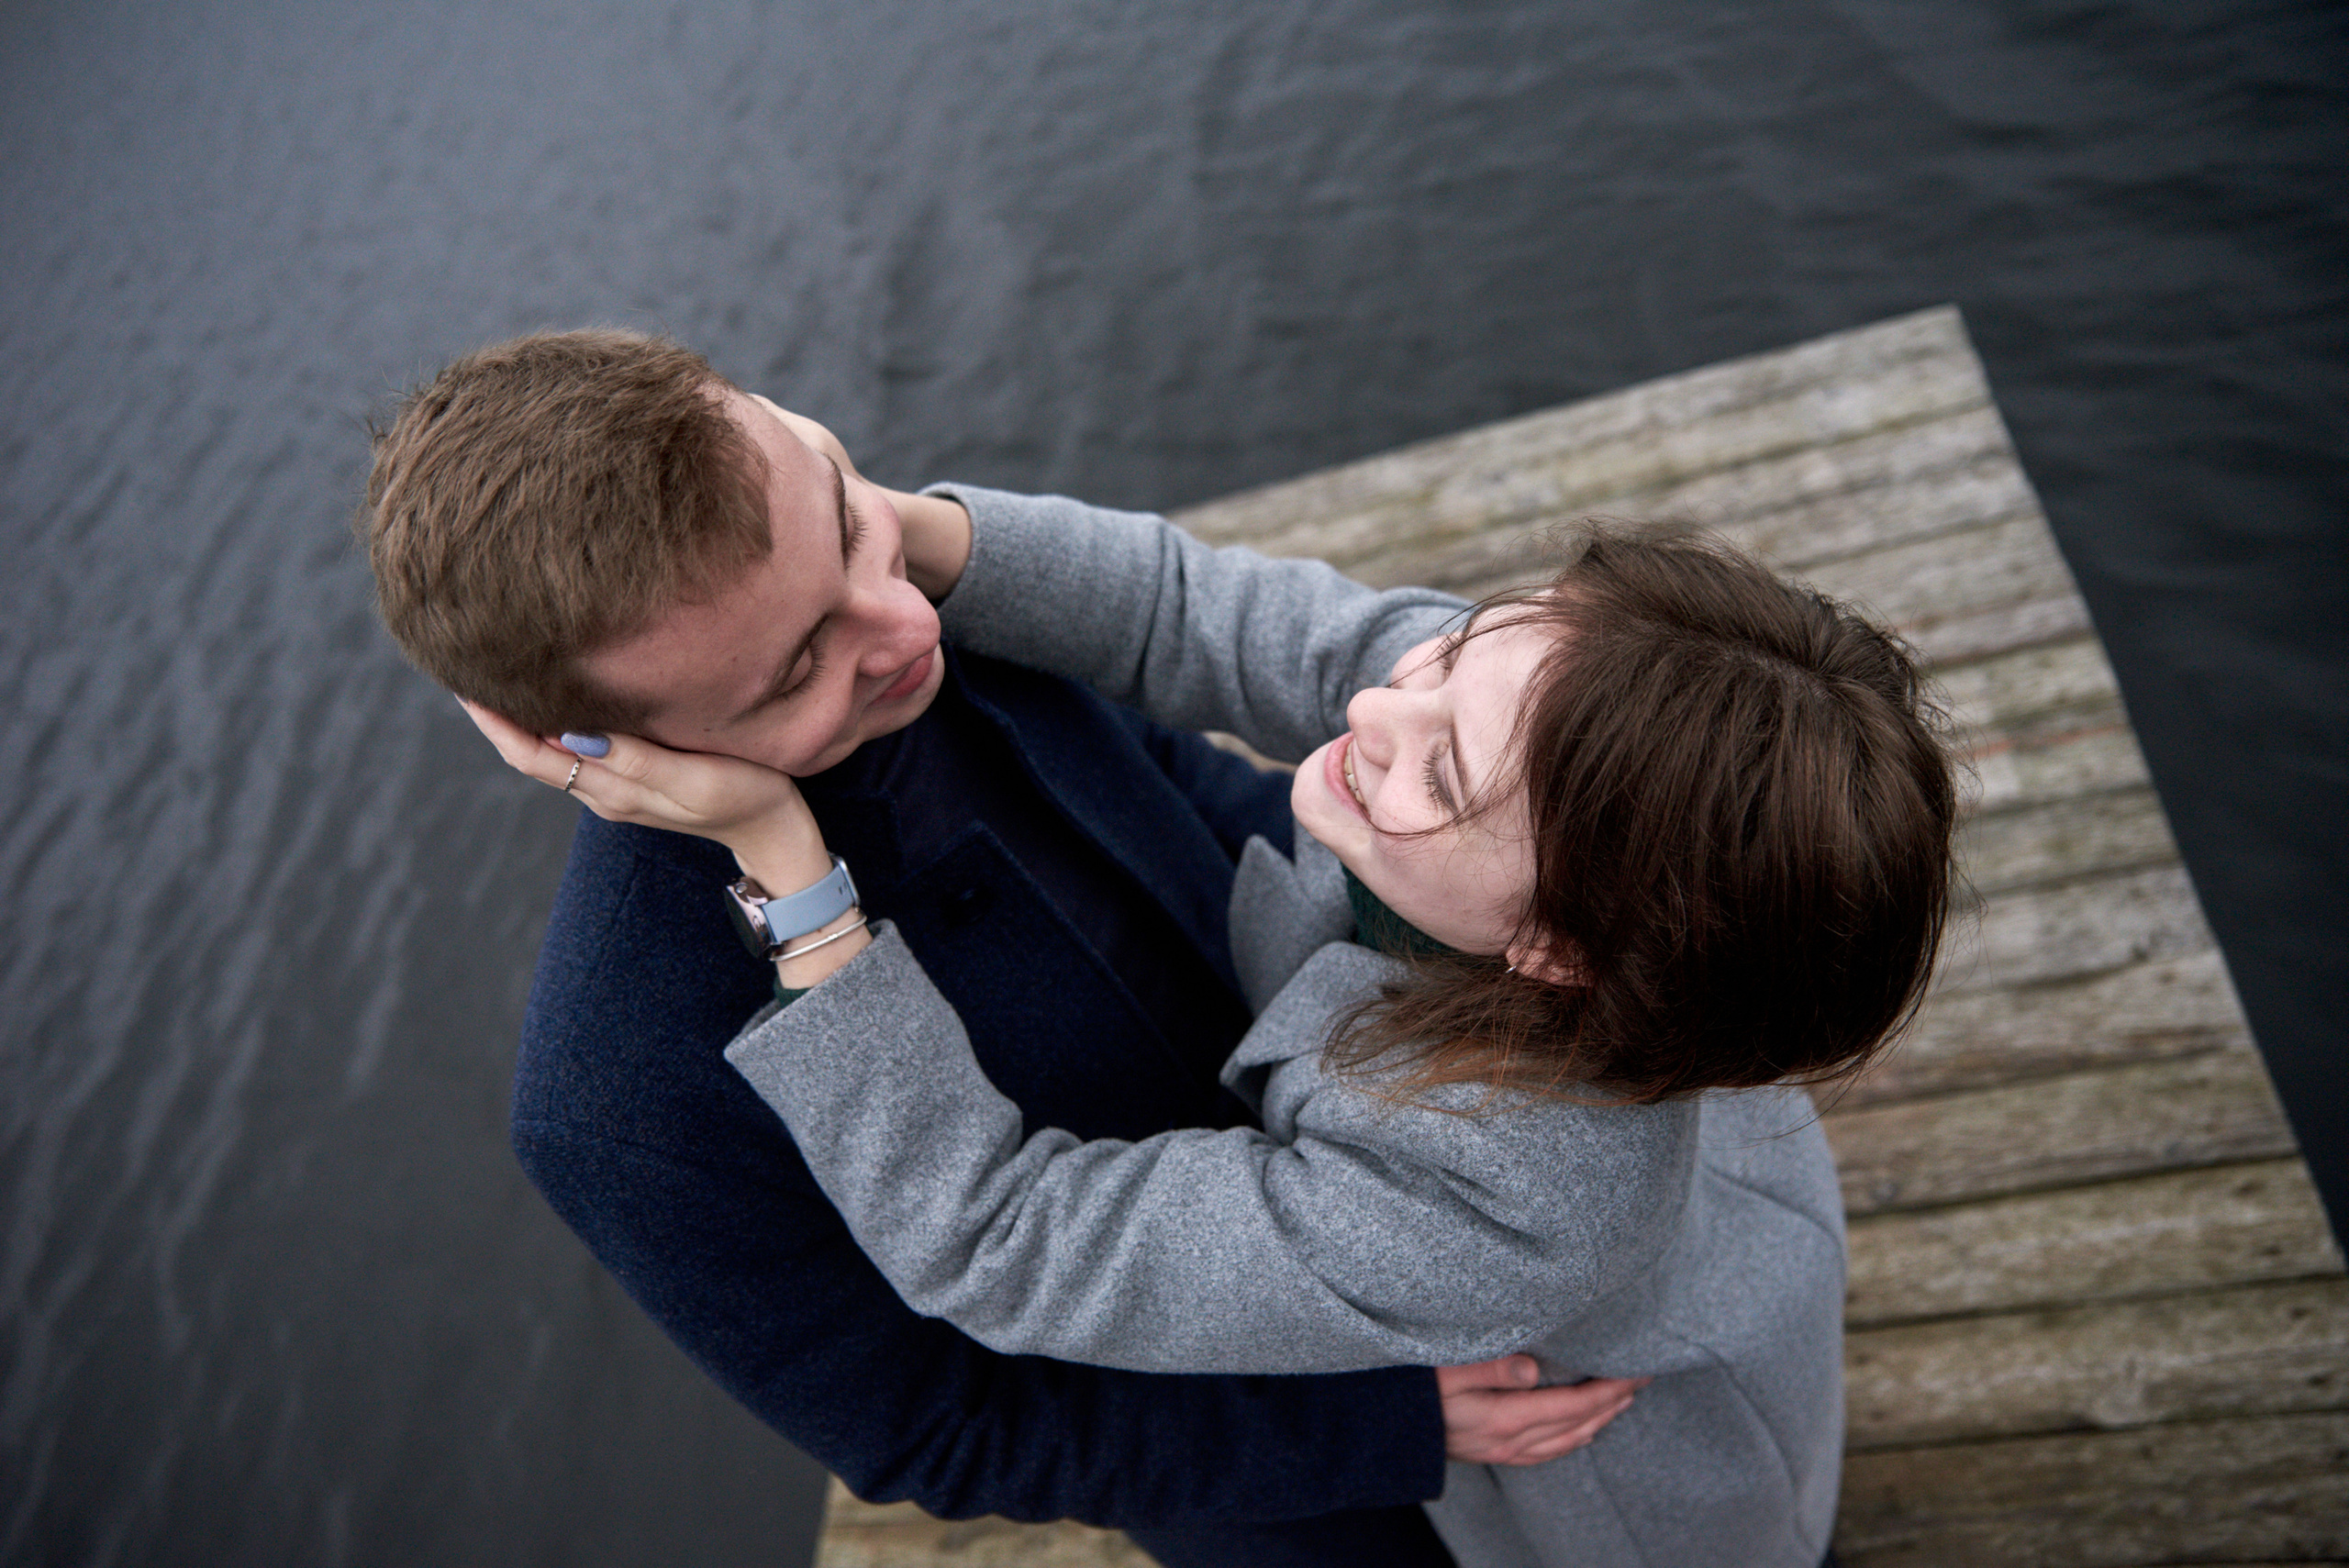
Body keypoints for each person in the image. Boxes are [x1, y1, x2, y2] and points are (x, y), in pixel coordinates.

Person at [474, 447, 1957, 1567]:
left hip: (1628, 1442)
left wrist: (798, 888)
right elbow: (1210, 615)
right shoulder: (1531, 737)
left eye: (1436, 773)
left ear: (1563, 948)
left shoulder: (1532, 1180)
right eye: (1442, 654)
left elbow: (1003, 1238)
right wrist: (897, 527)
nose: (1374, 709)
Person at [362, 328, 1634, 1568]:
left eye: (850, 516)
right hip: (1305, 1495)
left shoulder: (944, 622)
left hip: (1430, 1228)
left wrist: (1449, 952)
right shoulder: (616, 1094)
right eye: (803, 663)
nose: (905, 628)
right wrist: (1368, 1421)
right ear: (584, 743)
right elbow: (934, 1423)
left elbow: (1181, 784)